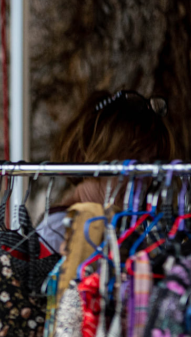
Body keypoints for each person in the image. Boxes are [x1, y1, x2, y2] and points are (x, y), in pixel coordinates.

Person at [37, 89, 173, 249]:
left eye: (150, 163)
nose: (142, 176)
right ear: (84, 158)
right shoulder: (58, 234)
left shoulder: (131, 229)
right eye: (131, 161)